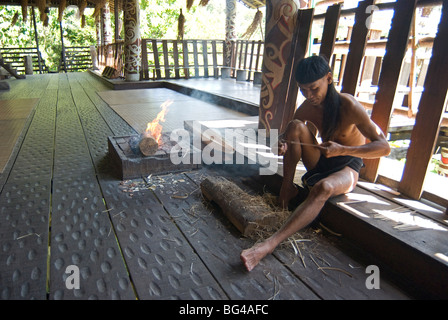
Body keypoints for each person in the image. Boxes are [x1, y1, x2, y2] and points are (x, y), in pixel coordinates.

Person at [240, 55, 390, 272]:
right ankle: (286, 190)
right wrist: (282, 142)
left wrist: (343, 150)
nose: (309, 96)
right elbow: (288, 134)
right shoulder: (309, 107)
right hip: (322, 160)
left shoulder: (349, 105)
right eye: (303, 90)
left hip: (347, 167)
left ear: (328, 78)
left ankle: (268, 245)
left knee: (323, 188)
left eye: (313, 88)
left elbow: (384, 147)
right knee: (295, 125)